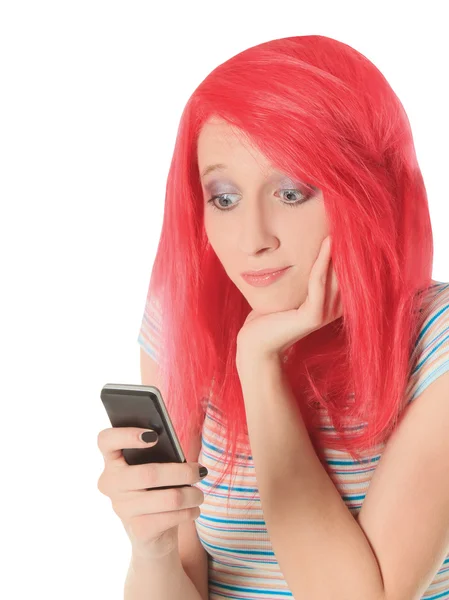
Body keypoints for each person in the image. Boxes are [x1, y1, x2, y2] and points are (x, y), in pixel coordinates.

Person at [98, 34, 449, 599]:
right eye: (225, 197)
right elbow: (183, 582)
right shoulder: (183, 319)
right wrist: (152, 548)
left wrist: (258, 365)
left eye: (291, 192)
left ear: (366, 191)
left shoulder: (438, 341)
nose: (253, 240)